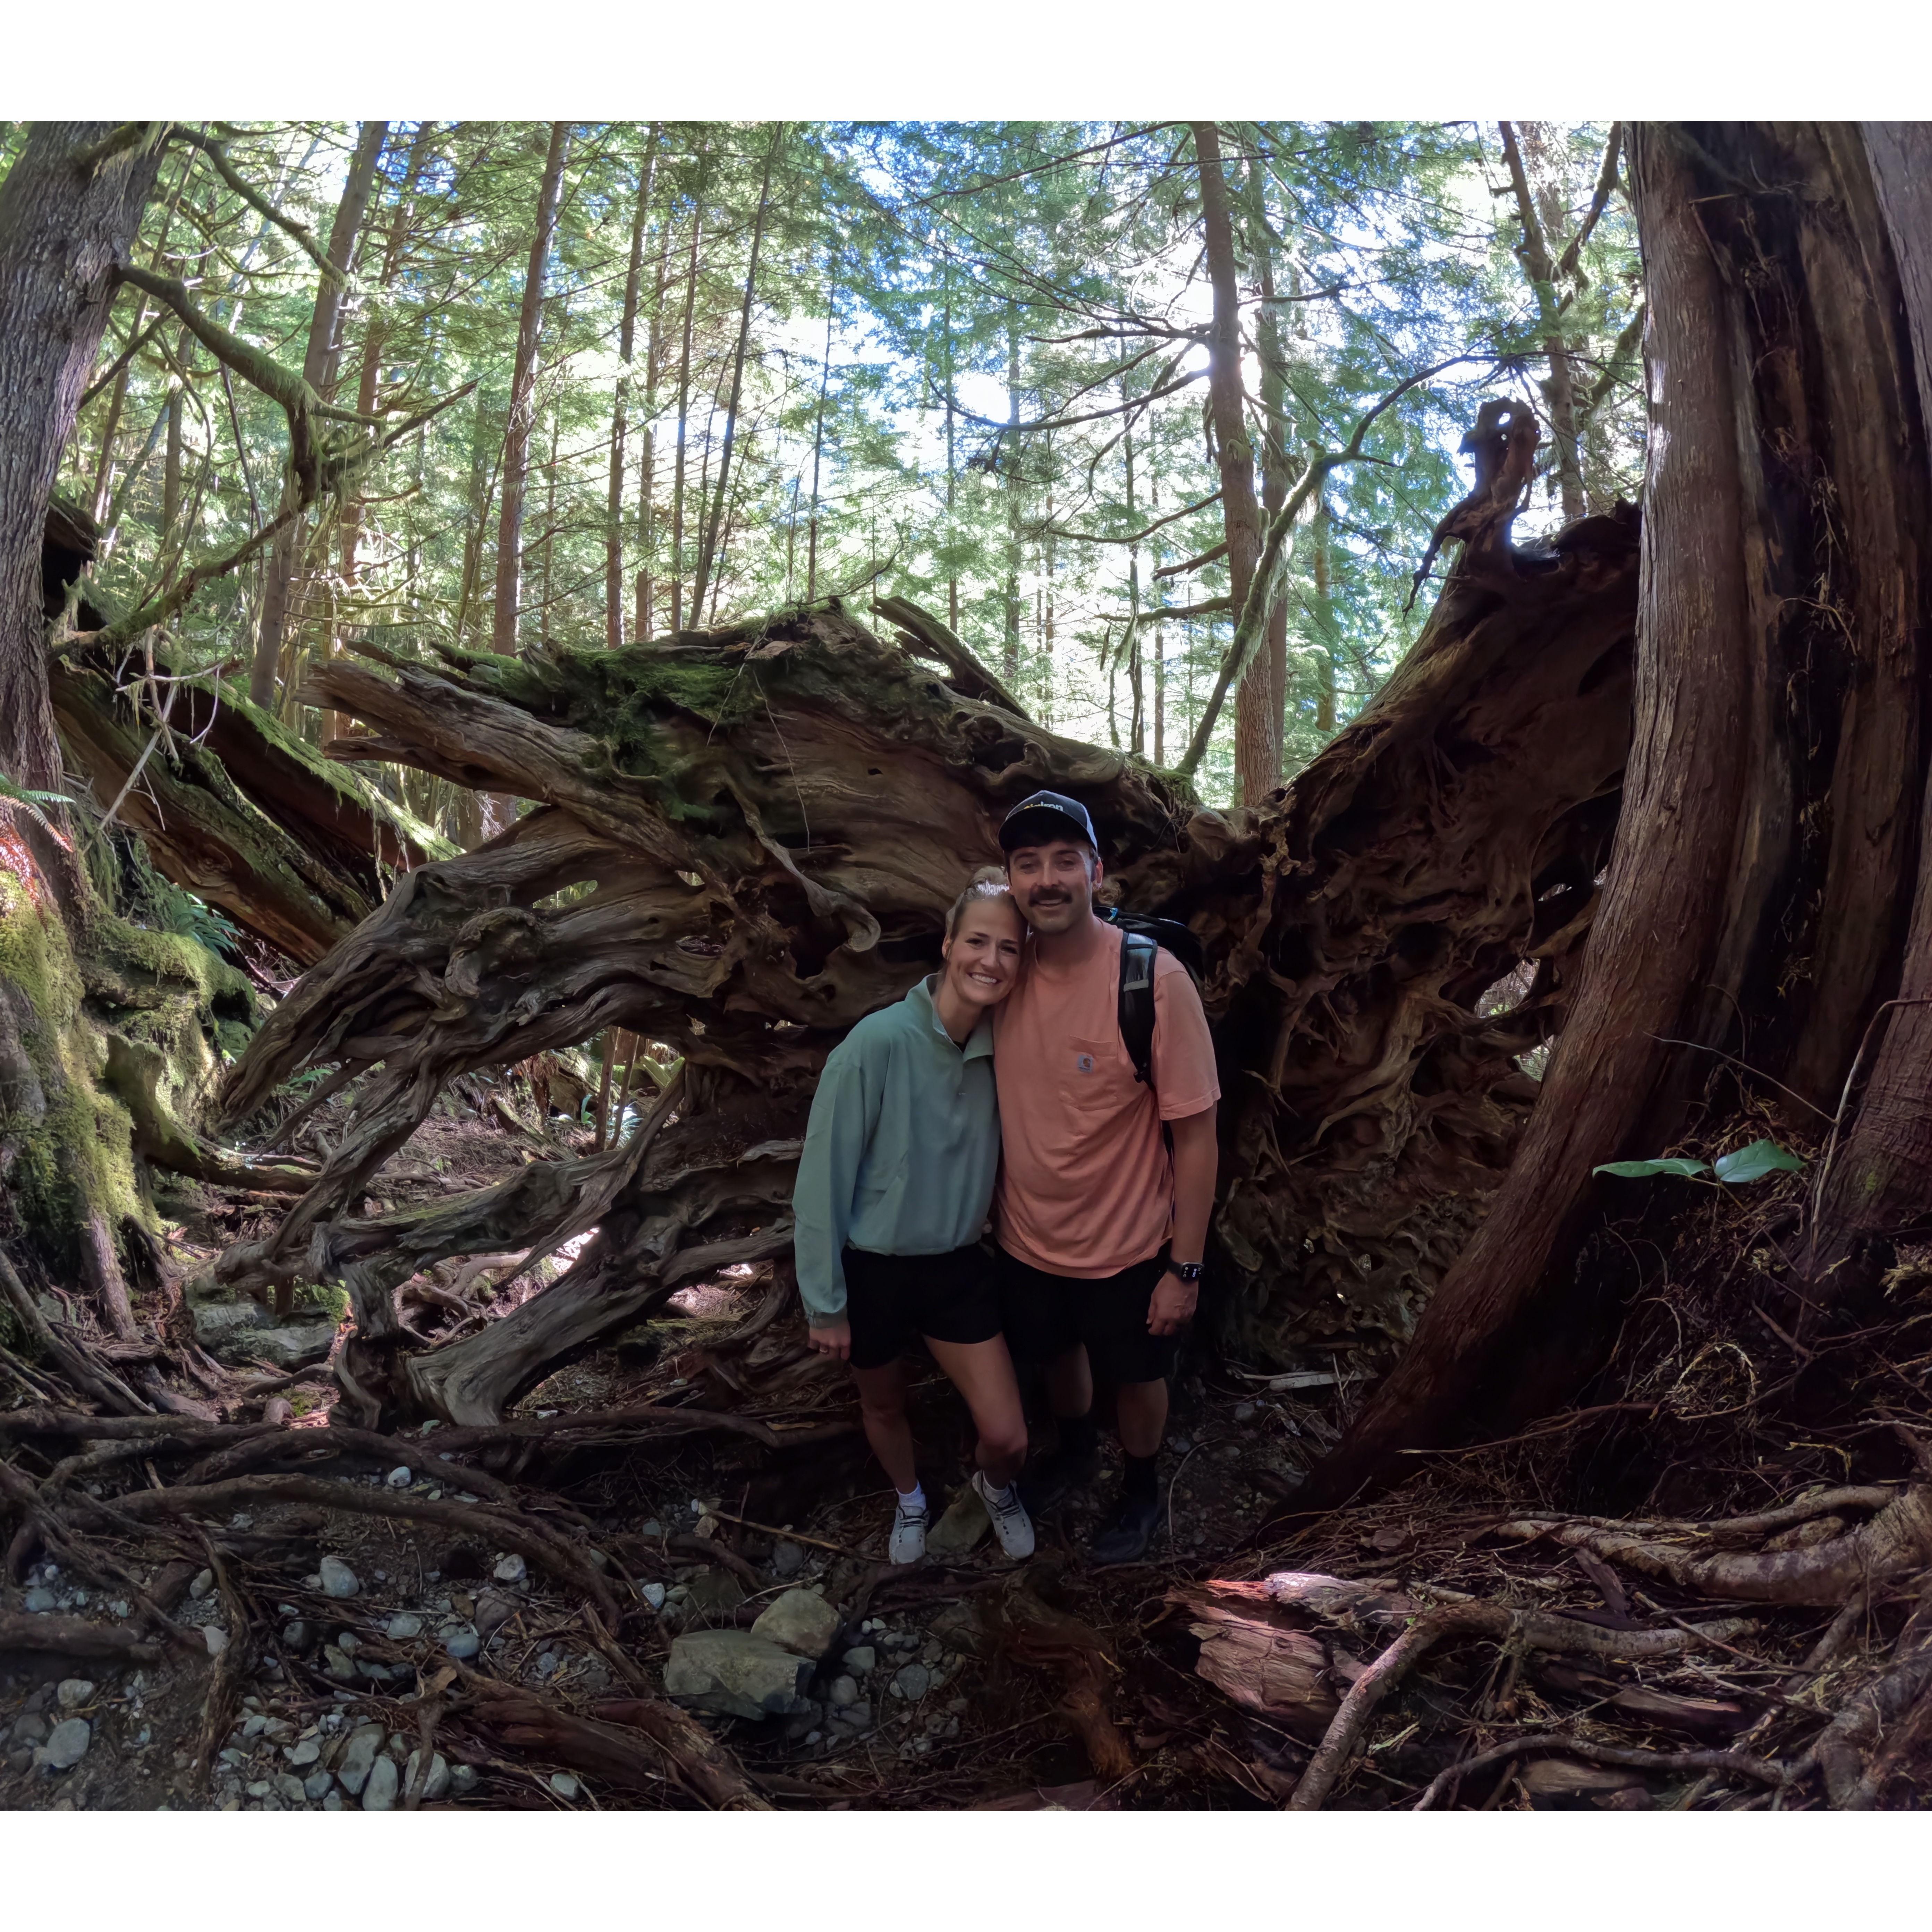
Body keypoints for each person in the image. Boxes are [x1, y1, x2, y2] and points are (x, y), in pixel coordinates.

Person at [992, 790, 1220, 1565]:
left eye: (1064, 860)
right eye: (1028, 864)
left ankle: (1142, 1486)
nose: (1047, 880)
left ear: (1097, 870)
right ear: (1010, 881)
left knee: (1138, 1375)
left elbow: (1196, 1136)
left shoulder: (1150, 980)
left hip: (1129, 1246)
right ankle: (1076, 1451)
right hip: (1026, 1241)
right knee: (1060, 1358)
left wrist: (1183, 1269)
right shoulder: (1001, 971)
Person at [791, 870, 1036, 1565]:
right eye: (978, 942)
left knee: (1008, 1434)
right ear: (948, 945)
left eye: (1010, 949)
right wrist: (825, 1304)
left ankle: (993, 1488)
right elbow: (821, 1182)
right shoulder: (877, 1043)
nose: (991, 961)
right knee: (885, 1405)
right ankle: (909, 1500)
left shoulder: (1005, 1051)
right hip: (873, 1271)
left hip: (958, 1268)